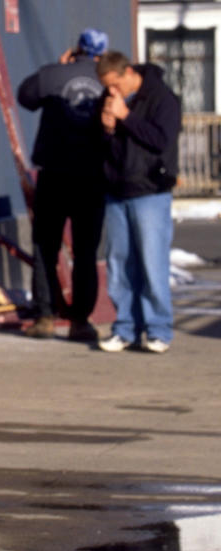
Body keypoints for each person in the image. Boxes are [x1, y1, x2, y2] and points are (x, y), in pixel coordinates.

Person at [17, 28, 109, 341]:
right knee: (85, 250)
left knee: (46, 246)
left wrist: (59, 66)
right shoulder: (107, 79)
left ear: (76, 49)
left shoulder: (54, 73)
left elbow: (25, 96)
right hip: (92, 176)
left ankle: (44, 316)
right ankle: (81, 321)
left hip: (54, 173)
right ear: (102, 55)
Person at [95, 50, 181, 353]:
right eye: (106, 86)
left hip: (150, 191)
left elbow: (162, 140)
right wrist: (106, 127)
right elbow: (102, 147)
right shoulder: (109, 101)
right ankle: (125, 328)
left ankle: (159, 330)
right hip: (117, 191)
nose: (111, 92)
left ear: (129, 73)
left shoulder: (161, 98)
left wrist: (126, 117)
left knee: (152, 262)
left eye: (115, 85)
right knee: (119, 264)